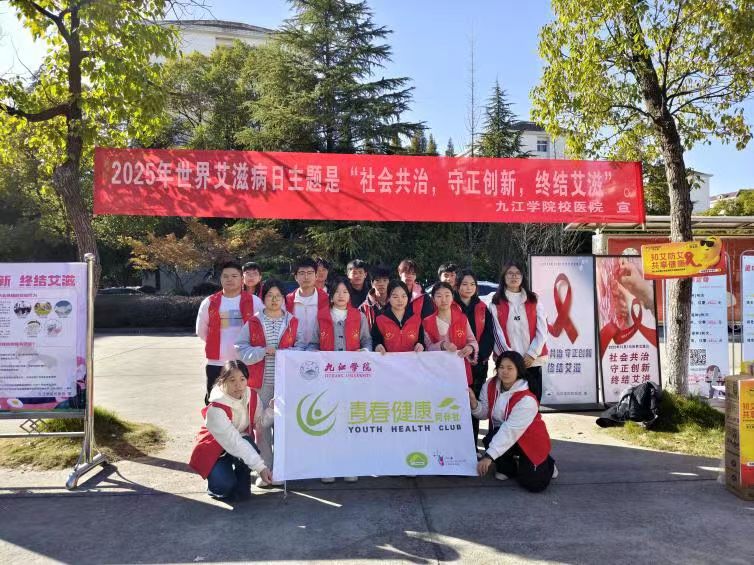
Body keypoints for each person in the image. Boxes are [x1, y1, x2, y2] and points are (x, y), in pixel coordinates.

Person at [235, 279, 300, 486]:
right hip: (259, 383)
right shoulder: (253, 322)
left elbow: (303, 347)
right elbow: (240, 349)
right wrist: (262, 352)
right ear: (263, 299)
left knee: (283, 427)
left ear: (284, 299)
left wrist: (288, 353)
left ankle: (280, 470)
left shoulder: (293, 322)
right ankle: (266, 471)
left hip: (285, 383)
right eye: (270, 295)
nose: (274, 299)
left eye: (278, 296)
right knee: (260, 427)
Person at [470, 351, 557, 492]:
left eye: (510, 368)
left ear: (519, 371)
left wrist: (488, 457)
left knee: (534, 484)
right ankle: (508, 468)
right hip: (504, 435)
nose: (505, 371)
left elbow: (510, 431)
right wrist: (474, 403)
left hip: (529, 439)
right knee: (491, 439)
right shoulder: (490, 385)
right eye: (501, 367)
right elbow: (485, 413)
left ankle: (548, 463)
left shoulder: (526, 399)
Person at [189, 360, 273, 500]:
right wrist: (261, 468)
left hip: (238, 443)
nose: (238, 385)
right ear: (222, 381)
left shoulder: (251, 395)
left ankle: (241, 482)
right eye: (232, 380)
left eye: (242, 379)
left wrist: (272, 409)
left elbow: (259, 423)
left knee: (242, 493)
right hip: (215, 448)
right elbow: (234, 441)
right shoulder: (216, 408)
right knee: (224, 486)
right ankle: (215, 485)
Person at [318, 276, 372, 484]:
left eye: (345, 292)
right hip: (327, 377)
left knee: (350, 420)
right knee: (329, 420)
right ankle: (328, 466)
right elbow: (312, 343)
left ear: (350, 295)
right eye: (337, 292)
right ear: (331, 295)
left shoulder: (359, 316)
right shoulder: (321, 316)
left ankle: (350, 464)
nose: (341, 296)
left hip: (352, 377)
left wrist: (364, 352)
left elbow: (367, 340)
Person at [196, 261, 256, 404]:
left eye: (234, 276)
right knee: (214, 400)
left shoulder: (255, 302)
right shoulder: (209, 302)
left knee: (244, 402)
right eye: (226, 276)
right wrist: (216, 343)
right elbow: (201, 330)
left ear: (242, 279)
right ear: (220, 279)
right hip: (217, 361)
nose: (230, 279)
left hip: (244, 361)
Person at [489, 262, 548, 402]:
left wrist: (532, 354)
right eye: (510, 273)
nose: (514, 277)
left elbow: (543, 329)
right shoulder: (495, 302)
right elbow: (496, 334)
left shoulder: (534, 299)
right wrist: (511, 359)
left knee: (534, 399)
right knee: (510, 402)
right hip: (509, 364)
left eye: (517, 273)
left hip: (532, 361)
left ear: (522, 277)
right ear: (504, 277)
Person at [455, 269, 495, 448]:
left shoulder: (482, 307)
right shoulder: (450, 306)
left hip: (478, 364)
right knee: (454, 405)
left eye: (472, 284)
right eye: (464, 284)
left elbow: (489, 334)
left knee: (474, 404)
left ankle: (471, 446)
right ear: (457, 286)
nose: (468, 288)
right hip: (455, 364)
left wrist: (480, 355)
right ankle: (455, 447)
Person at [422, 282, 477, 386]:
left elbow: (472, 341)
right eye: (439, 296)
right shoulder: (427, 322)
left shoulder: (462, 319)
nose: (443, 300)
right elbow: (428, 348)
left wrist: (470, 347)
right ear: (433, 299)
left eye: (447, 295)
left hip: (460, 369)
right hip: (437, 371)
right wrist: (442, 345)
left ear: (452, 297)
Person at [285, 258, 328, 350]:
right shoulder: (288, 300)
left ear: (316, 276)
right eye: (302, 273)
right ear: (296, 277)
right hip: (293, 349)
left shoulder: (326, 299)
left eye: (310, 273)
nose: (306, 277)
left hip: (319, 350)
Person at [371, 280, 425, 353]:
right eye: (395, 297)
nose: (400, 300)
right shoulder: (380, 320)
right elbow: (375, 341)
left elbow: (421, 340)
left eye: (404, 296)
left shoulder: (416, 319)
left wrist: (421, 345)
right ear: (389, 298)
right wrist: (377, 346)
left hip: (412, 359)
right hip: (389, 359)